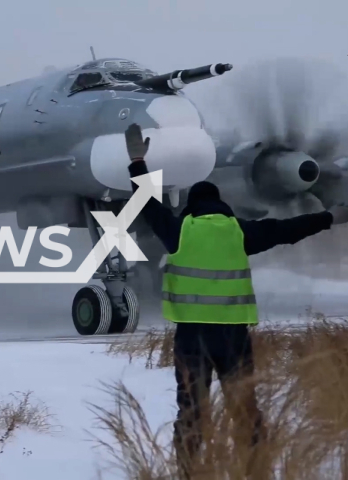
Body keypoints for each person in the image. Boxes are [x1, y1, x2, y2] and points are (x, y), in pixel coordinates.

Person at [123, 123, 348, 479]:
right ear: (221, 205)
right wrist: (331, 217)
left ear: (193, 207)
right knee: (245, 408)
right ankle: (256, 468)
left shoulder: (179, 231)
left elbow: (147, 203)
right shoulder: (240, 232)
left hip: (192, 337)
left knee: (193, 411)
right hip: (234, 337)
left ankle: (189, 471)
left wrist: (137, 161)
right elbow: (288, 229)